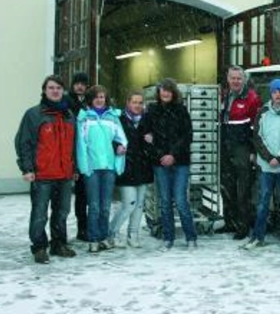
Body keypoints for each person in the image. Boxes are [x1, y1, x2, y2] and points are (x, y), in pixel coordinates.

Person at [15, 75, 78, 264]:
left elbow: (74, 146)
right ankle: (39, 247)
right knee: (39, 213)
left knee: (62, 212)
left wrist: (74, 168)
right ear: (44, 90)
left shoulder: (69, 115)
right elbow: (23, 143)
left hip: (65, 175)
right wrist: (27, 168)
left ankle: (58, 244)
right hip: (42, 175)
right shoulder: (33, 115)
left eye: (59, 88)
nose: (55, 91)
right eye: (51, 88)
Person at [243, 79, 280, 251]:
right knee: (263, 202)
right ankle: (258, 236)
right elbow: (257, 138)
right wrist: (268, 158)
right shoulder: (262, 112)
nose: (278, 95)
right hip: (266, 166)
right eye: (275, 92)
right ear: (271, 94)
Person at [145, 78, 198, 251]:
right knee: (165, 201)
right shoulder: (152, 111)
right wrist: (162, 155)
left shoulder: (181, 111)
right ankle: (168, 238)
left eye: (169, 90)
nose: (166, 93)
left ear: (174, 93)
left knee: (181, 200)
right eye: (163, 90)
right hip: (160, 163)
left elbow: (187, 136)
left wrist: (173, 155)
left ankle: (191, 237)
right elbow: (147, 136)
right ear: (159, 93)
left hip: (180, 162)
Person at [76, 85, 128, 253]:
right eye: (97, 97)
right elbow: (81, 145)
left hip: (108, 168)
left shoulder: (112, 118)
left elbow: (122, 139)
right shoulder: (84, 119)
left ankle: (104, 237)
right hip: (92, 169)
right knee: (94, 206)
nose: (100, 100)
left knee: (105, 205)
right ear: (91, 99)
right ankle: (93, 239)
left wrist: (121, 148)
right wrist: (85, 167)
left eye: (103, 97)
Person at [218, 66, 262, 240]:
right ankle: (230, 223)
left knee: (243, 189)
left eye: (239, 78)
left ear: (243, 80)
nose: (235, 81)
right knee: (226, 187)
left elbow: (255, 128)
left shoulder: (252, 98)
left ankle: (243, 227)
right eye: (232, 78)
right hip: (226, 146)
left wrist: (253, 151)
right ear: (228, 79)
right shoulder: (223, 96)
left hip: (242, 148)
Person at [108, 91, 154, 248]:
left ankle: (133, 235)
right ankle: (112, 232)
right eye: (134, 102)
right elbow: (111, 138)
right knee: (129, 203)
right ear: (128, 103)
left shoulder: (147, 120)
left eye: (140, 102)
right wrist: (117, 147)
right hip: (126, 167)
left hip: (143, 167)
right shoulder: (119, 120)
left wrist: (151, 140)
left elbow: (154, 140)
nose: (138, 105)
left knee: (140, 204)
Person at [68, 72, 90, 241]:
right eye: (77, 83)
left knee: (89, 195)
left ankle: (89, 227)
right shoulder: (67, 102)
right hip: (74, 152)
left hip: (90, 154)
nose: (80, 86)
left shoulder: (91, 101)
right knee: (80, 195)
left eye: (83, 83)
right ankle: (81, 228)